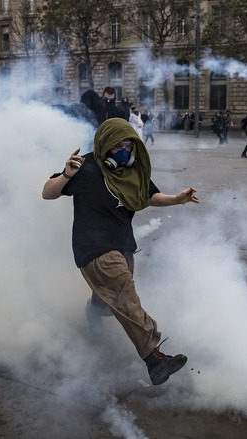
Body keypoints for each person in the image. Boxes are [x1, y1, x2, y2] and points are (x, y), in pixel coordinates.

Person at [41, 118, 200, 385]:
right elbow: (48, 193)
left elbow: (147, 196)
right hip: (93, 247)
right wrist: (66, 175)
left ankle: (94, 312)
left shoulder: (132, 170)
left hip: (122, 244)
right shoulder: (85, 167)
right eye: (116, 146)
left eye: (128, 144)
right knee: (126, 297)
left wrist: (176, 199)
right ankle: (154, 359)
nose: (123, 151)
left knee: (109, 299)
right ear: (104, 144)